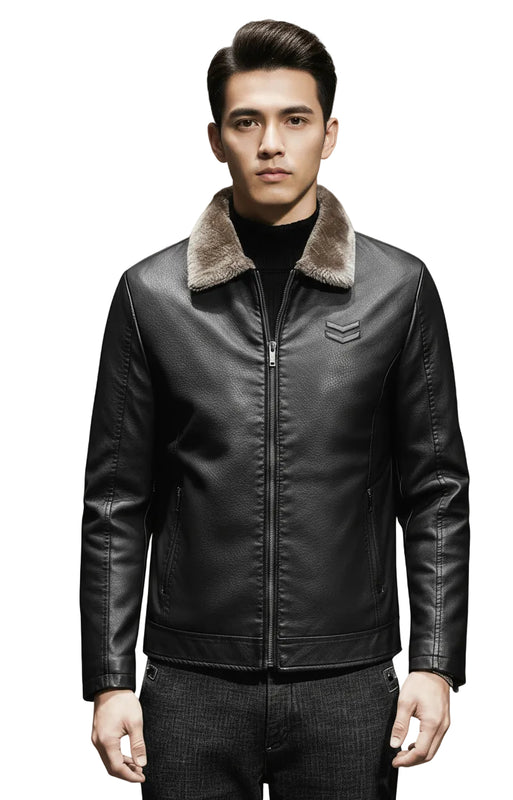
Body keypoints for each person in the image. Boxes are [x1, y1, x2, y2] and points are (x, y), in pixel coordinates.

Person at [80, 18, 470, 800]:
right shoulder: (152, 295)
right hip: (190, 682)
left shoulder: (397, 289)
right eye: (246, 121)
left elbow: (435, 491)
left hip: (347, 682)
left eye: (294, 120)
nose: (270, 144)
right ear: (215, 138)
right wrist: (110, 677)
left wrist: (434, 663)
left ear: (329, 134)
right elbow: (117, 501)